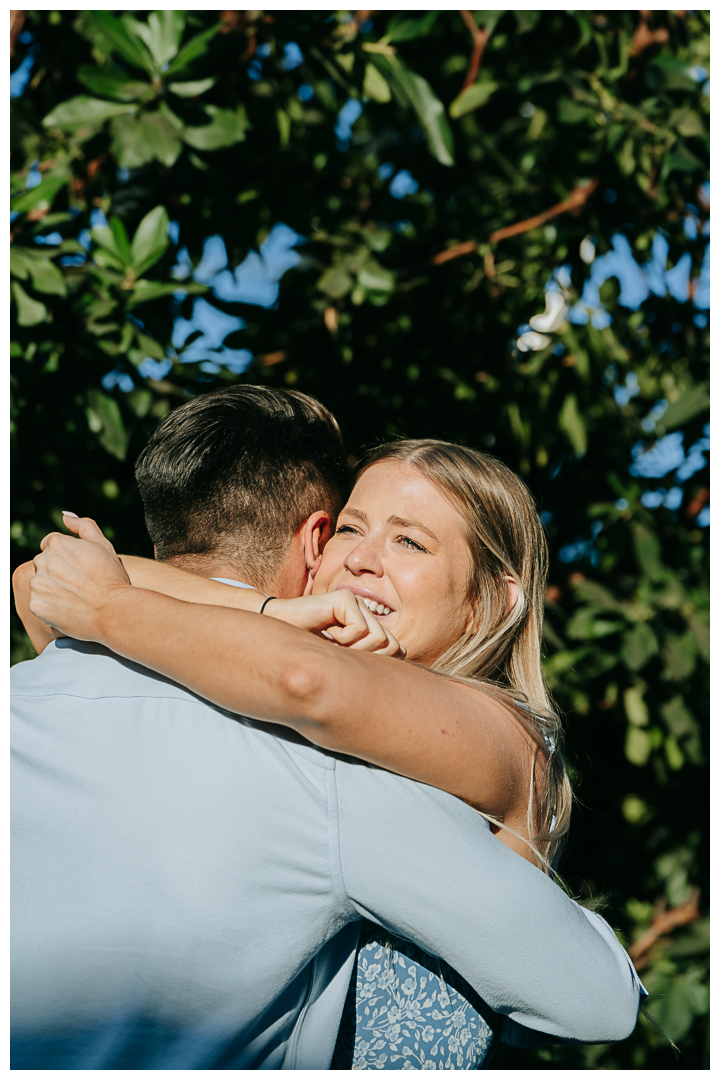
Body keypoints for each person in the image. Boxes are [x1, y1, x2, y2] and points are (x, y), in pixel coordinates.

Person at [12, 387, 645, 1071]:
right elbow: (39, 582)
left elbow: (304, 680)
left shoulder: (476, 735)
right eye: (350, 528)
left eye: (409, 541)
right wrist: (264, 609)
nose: (362, 559)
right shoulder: (316, 734)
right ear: (317, 541)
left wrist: (110, 608)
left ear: (490, 601)